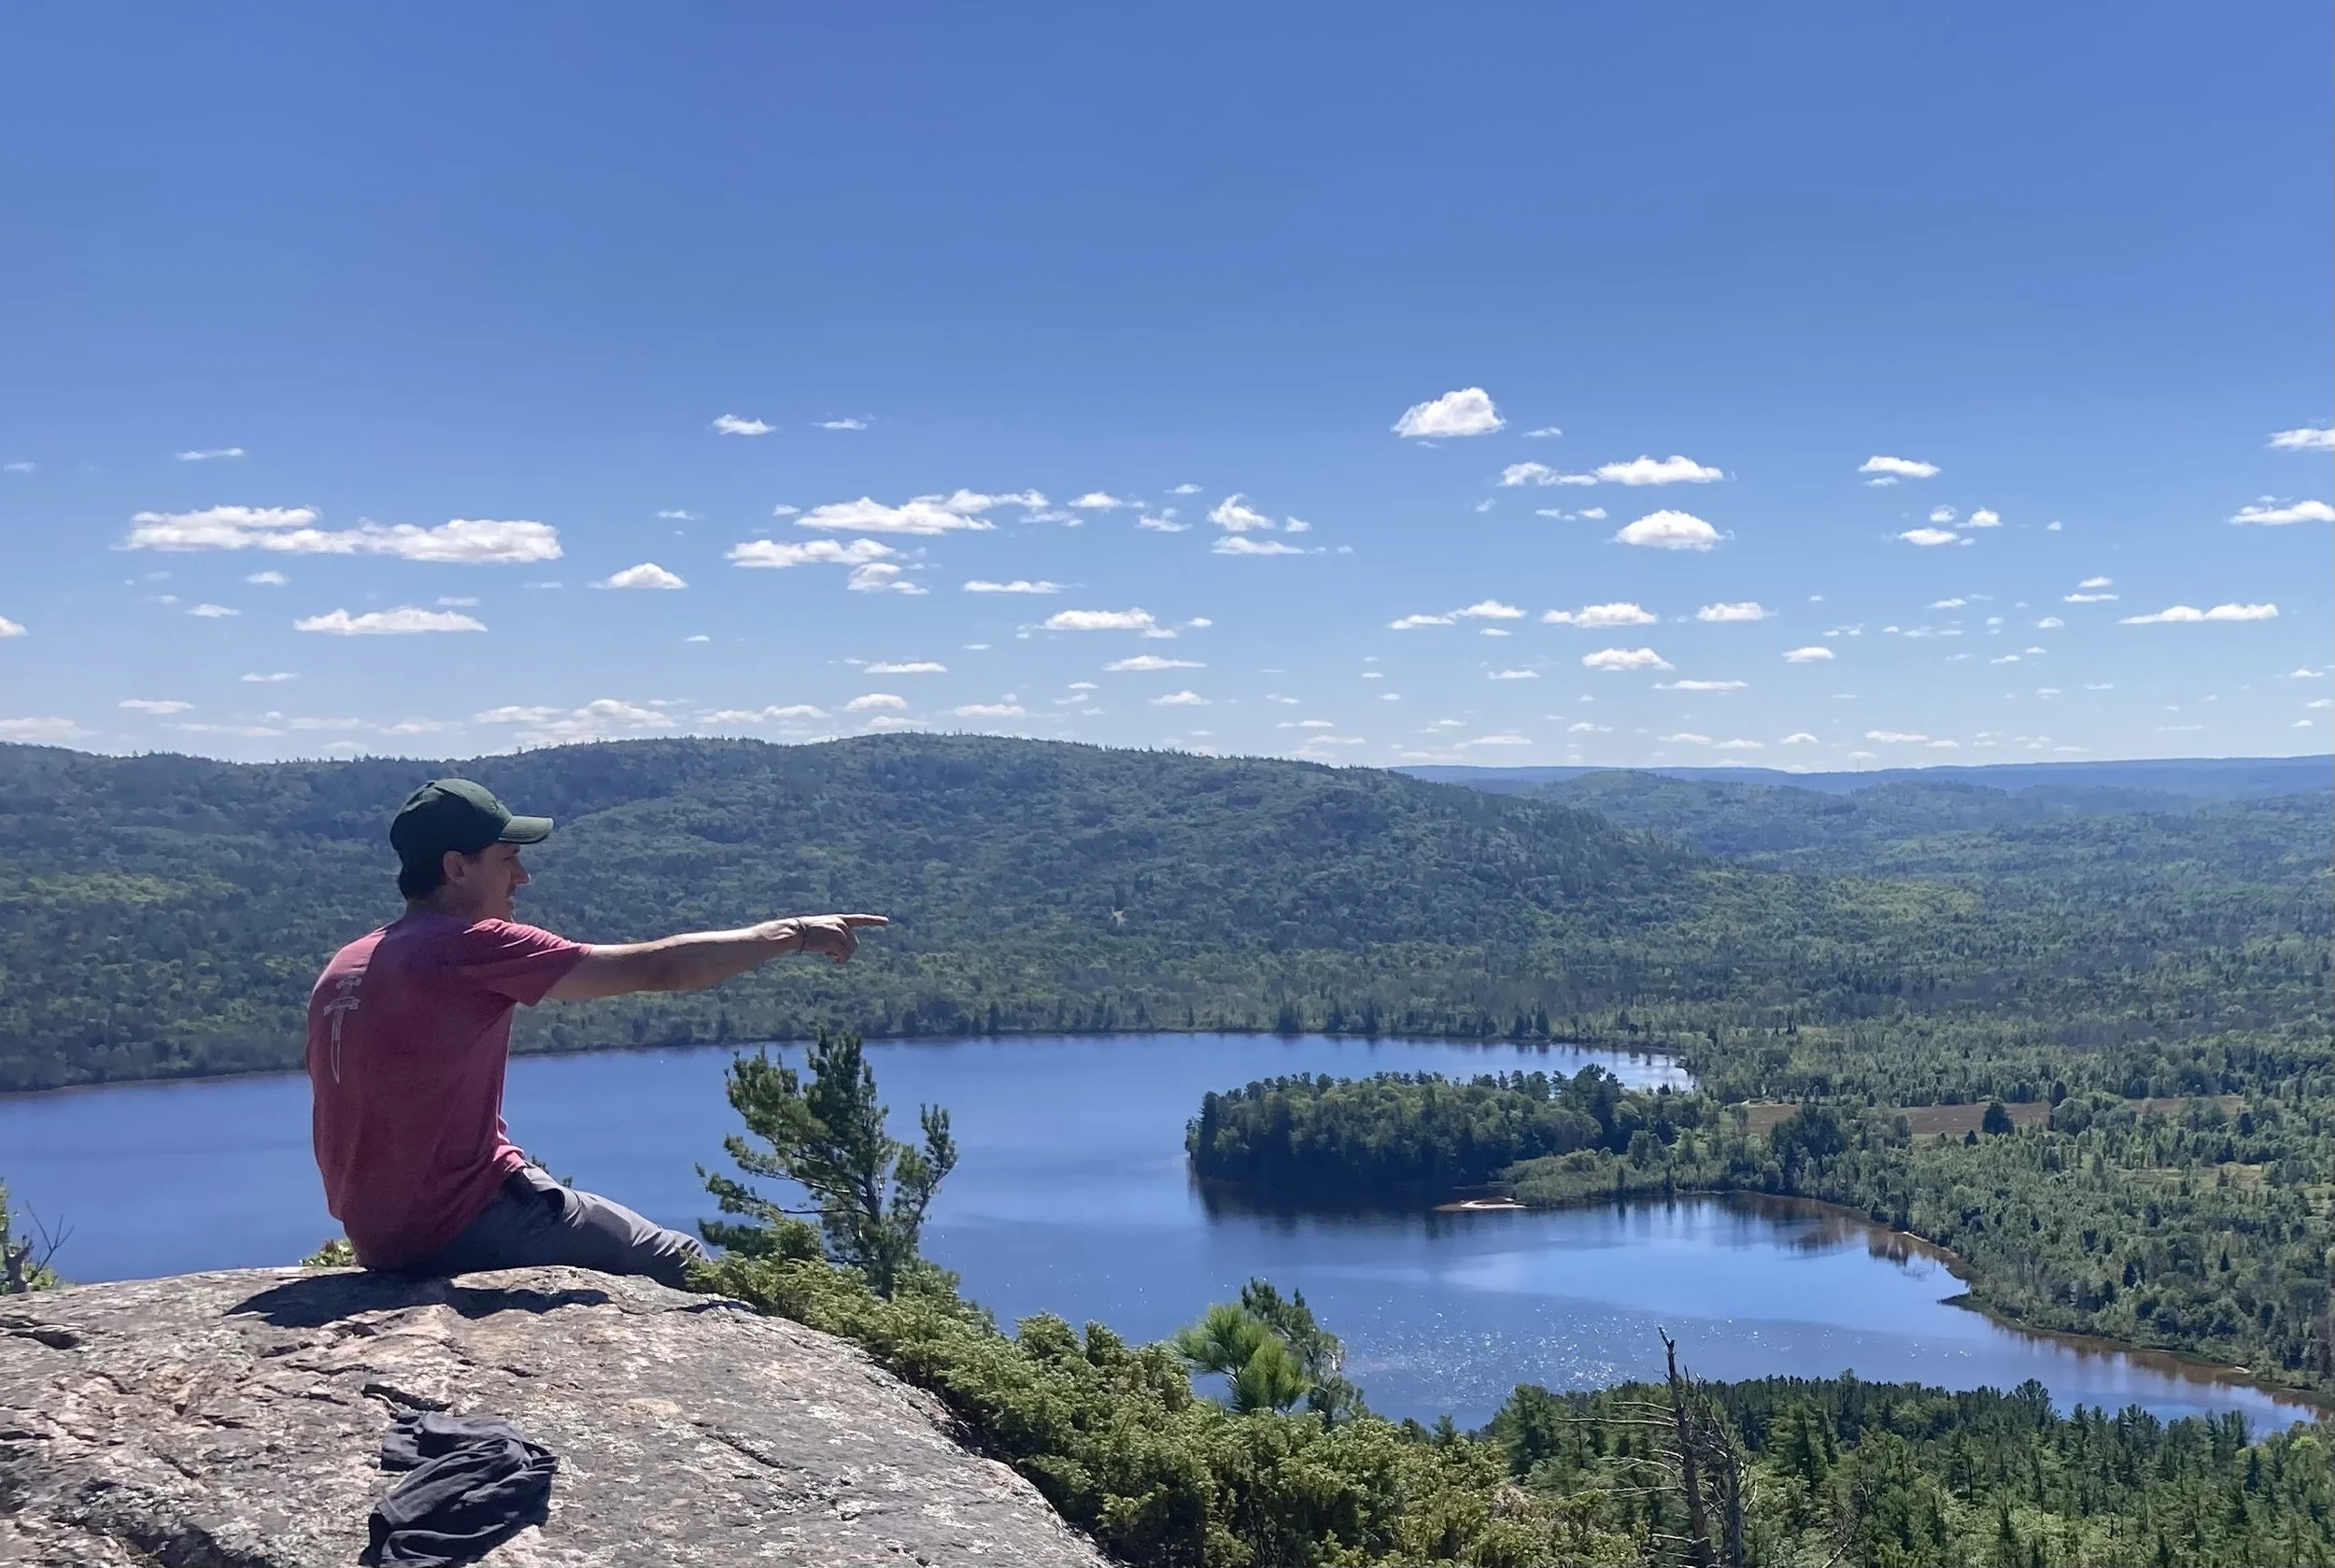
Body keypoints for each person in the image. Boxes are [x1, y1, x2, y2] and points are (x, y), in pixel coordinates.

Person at [305, 777, 884, 1288]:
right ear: (456, 867)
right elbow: (659, 969)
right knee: (681, 1261)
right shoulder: (469, 945)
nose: (523, 877)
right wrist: (794, 932)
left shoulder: (348, 964)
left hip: (381, 1237)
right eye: (508, 859)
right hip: (461, 1223)